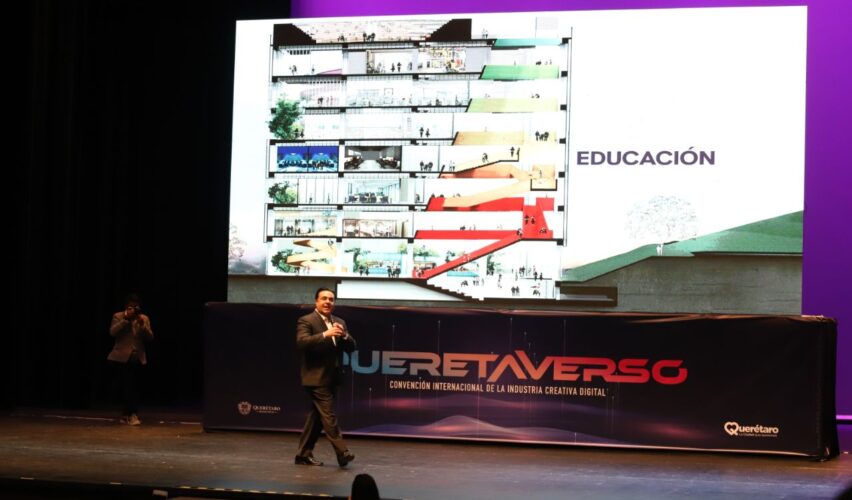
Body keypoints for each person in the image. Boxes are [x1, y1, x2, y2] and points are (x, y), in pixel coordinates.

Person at [295, 288, 357, 467]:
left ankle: (303, 454)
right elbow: (302, 342)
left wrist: (344, 335)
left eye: (331, 299)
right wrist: (324, 334)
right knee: (328, 416)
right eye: (324, 298)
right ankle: (342, 452)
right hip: (315, 377)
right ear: (316, 301)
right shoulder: (307, 320)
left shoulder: (339, 322)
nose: (328, 302)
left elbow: (352, 347)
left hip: (333, 377)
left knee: (316, 418)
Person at [107, 294, 153, 425]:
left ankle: (128, 414)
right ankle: (131, 414)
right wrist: (125, 319)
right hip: (120, 357)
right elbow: (112, 332)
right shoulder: (118, 316)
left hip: (137, 357)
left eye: (136, 306)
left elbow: (150, 337)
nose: (133, 309)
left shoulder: (143, 318)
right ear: (126, 306)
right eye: (131, 306)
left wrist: (143, 326)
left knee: (132, 386)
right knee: (127, 386)